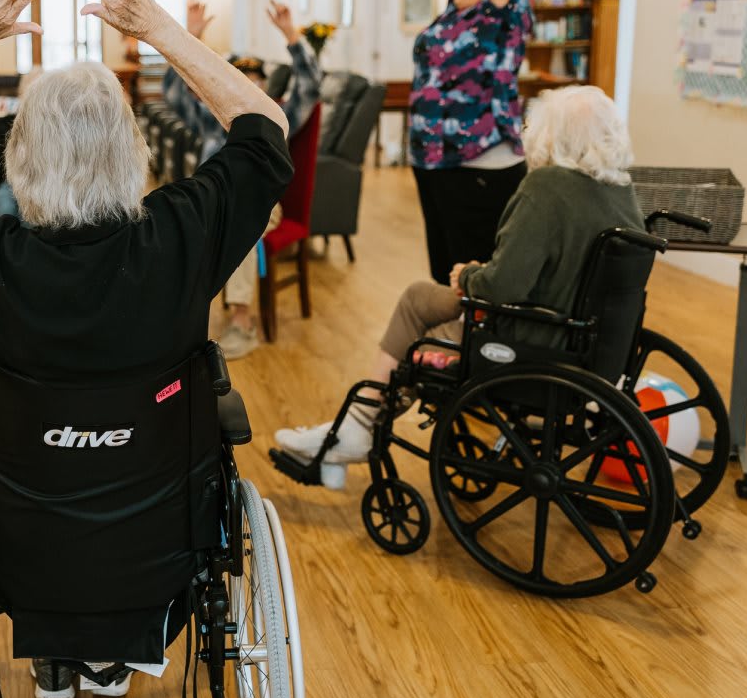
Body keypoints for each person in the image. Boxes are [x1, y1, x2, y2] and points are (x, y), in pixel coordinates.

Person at [0, 0, 290, 698]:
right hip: (162, 545)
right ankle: (109, 654)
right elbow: (264, 127)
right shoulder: (183, 236)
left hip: (20, 553)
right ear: (132, 150)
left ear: (19, 156)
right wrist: (154, 22)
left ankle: (56, 656)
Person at [272, 82, 641, 481]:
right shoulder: (622, 192)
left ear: (551, 134)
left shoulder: (548, 188)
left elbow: (503, 288)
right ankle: (358, 425)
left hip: (527, 334)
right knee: (417, 297)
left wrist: (467, 274)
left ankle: (357, 428)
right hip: (578, 335)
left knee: (422, 334)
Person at [398, 0, 530, 282]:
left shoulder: (500, 17)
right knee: (444, 273)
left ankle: (472, 343)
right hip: (434, 162)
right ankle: (451, 343)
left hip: (481, 167)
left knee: (475, 276)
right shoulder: (452, 17)